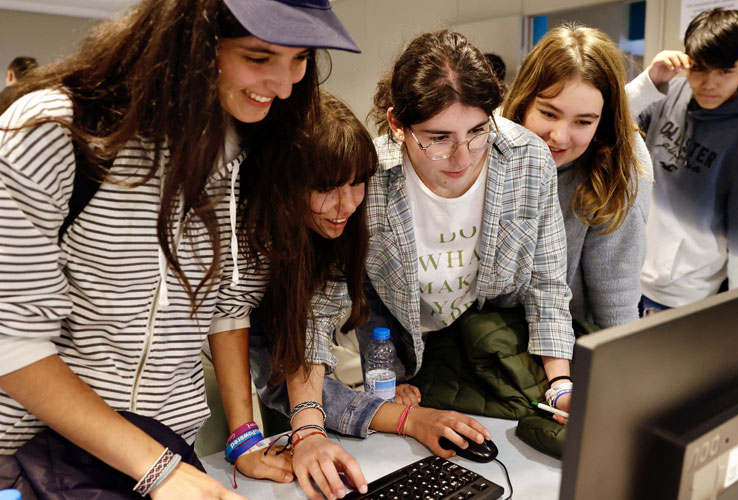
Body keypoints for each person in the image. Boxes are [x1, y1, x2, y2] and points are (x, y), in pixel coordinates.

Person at [0, 0, 360, 498]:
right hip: (36, 456)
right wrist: (158, 469)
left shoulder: (254, 151)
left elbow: (227, 308)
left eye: (299, 59)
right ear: (188, 38)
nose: (283, 86)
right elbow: (13, 342)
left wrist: (243, 438)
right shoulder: (55, 132)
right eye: (258, 58)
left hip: (167, 447)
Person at [213, 91, 492, 500]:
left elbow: (307, 339)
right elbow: (251, 344)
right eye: (326, 187)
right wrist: (247, 437)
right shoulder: (244, 239)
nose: (345, 205)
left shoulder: (335, 234)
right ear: (286, 183)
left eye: (356, 183)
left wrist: (403, 420)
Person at [363, 30, 574, 425]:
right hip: (397, 357)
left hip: (478, 345)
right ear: (396, 123)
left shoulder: (527, 159)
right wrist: (384, 376)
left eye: (477, 131)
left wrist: (561, 385)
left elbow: (546, 283)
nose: (462, 157)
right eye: (438, 138)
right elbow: (359, 296)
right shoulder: (369, 176)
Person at [502, 24, 653, 328]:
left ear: (604, 122)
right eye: (548, 113)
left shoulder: (622, 165)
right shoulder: (484, 141)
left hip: (573, 339)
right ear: (524, 100)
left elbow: (617, 299)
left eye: (583, 122)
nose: (559, 137)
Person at [638, 8, 738, 314]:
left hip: (682, 294)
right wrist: (649, 81)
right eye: (699, 68)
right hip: (626, 272)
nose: (708, 83)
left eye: (725, 71)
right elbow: (605, 124)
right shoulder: (672, 90)